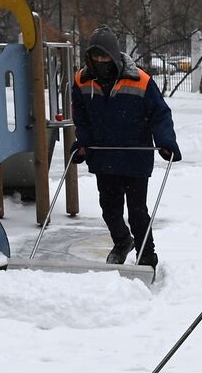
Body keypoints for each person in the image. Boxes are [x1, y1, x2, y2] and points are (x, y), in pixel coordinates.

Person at [70, 27, 181, 266]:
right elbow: (81, 116)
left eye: (105, 57)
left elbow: (159, 114)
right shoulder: (82, 80)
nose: (100, 62)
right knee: (109, 210)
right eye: (95, 57)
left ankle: (147, 254)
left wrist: (165, 142)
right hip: (103, 157)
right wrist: (83, 143)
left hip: (135, 157)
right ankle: (122, 242)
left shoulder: (140, 80)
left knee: (137, 212)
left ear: (114, 55)